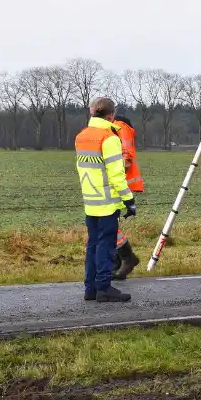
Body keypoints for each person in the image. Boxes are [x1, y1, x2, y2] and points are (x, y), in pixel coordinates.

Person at [74, 97, 136, 303]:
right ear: (111, 115)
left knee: (92, 245)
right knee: (106, 246)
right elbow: (116, 174)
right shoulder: (109, 138)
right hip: (107, 202)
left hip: (90, 200)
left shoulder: (81, 136)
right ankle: (104, 288)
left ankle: (90, 288)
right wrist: (129, 200)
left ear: (92, 112)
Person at [111, 114, 143, 280]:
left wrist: (113, 173)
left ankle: (126, 259)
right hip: (117, 183)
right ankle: (118, 263)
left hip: (116, 184)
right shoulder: (118, 128)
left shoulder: (119, 127)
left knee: (110, 225)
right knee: (111, 225)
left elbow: (126, 157)